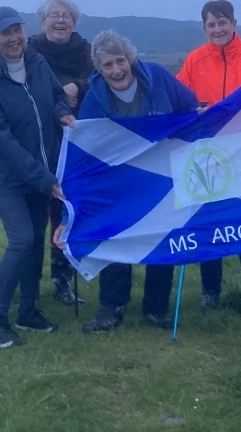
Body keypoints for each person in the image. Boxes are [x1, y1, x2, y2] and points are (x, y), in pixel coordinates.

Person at [77, 30, 200, 333]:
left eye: (120, 61)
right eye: (107, 65)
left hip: (163, 175)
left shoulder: (157, 77)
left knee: (162, 236)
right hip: (122, 181)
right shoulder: (95, 97)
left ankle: (156, 309)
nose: (116, 70)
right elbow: (87, 142)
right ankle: (111, 307)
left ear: (130, 58)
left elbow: (189, 105)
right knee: (117, 238)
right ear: (99, 69)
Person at [0, 7, 75, 349]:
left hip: (42, 172)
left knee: (34, 242)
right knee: (21, 240)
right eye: (5, 33)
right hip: (10, 177)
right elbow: (1, 138)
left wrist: (62, 114)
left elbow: (57, 97)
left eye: (17, 30)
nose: (14, 38)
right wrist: (43, 179)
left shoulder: (37, 63)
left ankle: (28, 311)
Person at [177, 0, 241, 311]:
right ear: (204, 28)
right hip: (207, 154)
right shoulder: (194, 60)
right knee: (211, 222)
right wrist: (196, 110)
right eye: (211, 24)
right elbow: (180, 101)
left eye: (222, 22)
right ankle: (210, 291)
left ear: (234, 23)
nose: (217, 29)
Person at [28, 0, 93, 308]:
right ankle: (26, 282)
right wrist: (60, 93)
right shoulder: (29, 50)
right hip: (38, 139)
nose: (60, 21)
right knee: (33, 216)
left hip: (77, 141)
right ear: (42, 23)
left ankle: (62, 279)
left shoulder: (87, 51)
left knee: (65, 213)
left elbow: (99, 79)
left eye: (66, 16)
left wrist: (77, 86)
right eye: (53, 16)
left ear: (75, 23)